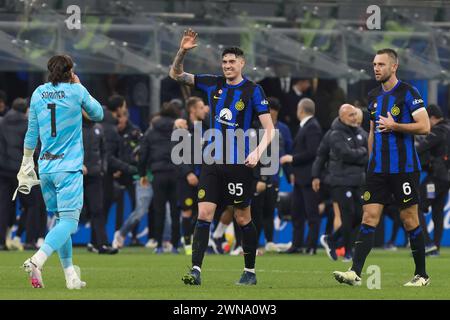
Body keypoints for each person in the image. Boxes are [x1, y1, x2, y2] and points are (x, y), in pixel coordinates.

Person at [169, 28, 275, 285]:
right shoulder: (212, 83)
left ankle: (249, 272)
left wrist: (257, 152)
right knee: (204, 213)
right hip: (212, 161)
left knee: (242, 217)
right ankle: (195, 270)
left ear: (242, 64)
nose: (227, 65)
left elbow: (269, 129)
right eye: (224, 61)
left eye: (232, 62)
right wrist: (182, 51)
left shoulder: (253, 90)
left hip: (240, 163)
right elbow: (175, 74)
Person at [333, 48, 431, 287]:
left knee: (409, 219)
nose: (376, 68)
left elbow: (425, 126)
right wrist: (370, 161)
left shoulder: (409, 92)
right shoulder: (373, 96)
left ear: (394, 67)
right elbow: (371, 132)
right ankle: (354, 272)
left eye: (381, 64)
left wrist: (396, 125)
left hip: (404, 169)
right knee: (369, 216)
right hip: (377, 170)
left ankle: (422, 275)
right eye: (374, 64)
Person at [19, 54, 103, 289]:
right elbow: (98, 114)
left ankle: (70, 276)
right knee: (69, 223)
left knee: (59, 221)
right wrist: (80, 86)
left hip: (45, 167)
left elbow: (32, 133)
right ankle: (38, 259)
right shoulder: (76, 91)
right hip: (68, 167)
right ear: (70, 71)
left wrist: (26, 162)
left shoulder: (38, 93)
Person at [319, 104, 368, 262]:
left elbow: (370, 154)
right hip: (340, 180)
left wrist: (361, 154)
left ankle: (331, 239)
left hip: (357, 180)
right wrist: (362, 152)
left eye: (355, 114)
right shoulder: (335, 134)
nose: (355, 118)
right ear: (341, 117)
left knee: (360, 215)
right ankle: (347, 251)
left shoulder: (361, 133)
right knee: (347, 215)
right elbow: (346, 154)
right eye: (351, 115)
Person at [280, 98, 322, 254]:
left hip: (309, 178)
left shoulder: (313, 127)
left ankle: (311, 246)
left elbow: (313, 152)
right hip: (300, 178)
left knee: (311, 213)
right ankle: (296, 244)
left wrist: (292, 158)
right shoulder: (306, 126)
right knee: (296, 212)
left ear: (301, 110)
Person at [139, 102, 181, 254]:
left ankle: (158, 245)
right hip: (176, 173)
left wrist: (143, 173)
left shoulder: (151, 131)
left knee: (159, 210)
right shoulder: (178, 129)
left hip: (158, 174)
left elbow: (143, 154)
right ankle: (175, 245)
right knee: (176, 211)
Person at [416, 104, 450, 256]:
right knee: (437, 211)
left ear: (432, 118)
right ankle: (435, 247)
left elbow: (421, 147)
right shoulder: (448, 129)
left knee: (416, 206)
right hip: (445, 179)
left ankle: (427, 243)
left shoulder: (438, 131)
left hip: (436, 179)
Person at [176, 96, 208, 255]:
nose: (205, 110)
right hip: (187, 178)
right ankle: (187, 243)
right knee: (187, 210)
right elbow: (177, 154)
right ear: (192, 110)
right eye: (201, 107)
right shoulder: (182, 129)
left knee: (202, 211)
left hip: (204, 176)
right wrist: (188, 172)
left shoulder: (206, 127)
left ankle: (199, 241)